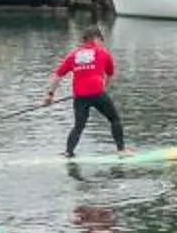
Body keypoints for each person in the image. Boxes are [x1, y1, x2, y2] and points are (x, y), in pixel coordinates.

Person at [51, 23, 124, 156]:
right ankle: (121, 150)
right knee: (115, 119)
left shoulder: (73, 55)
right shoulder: (103, 53)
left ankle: (68, 153)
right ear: (96, 39)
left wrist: (50, 95)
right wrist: (103, 87)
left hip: (80, 97)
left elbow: (57, 76)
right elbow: (110, 75)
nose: (102, 43)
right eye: (101, 40)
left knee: (78, 127)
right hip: (97, 94)